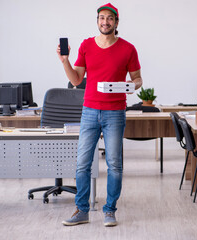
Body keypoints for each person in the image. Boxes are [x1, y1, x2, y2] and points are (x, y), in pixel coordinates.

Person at [57, 3, 142, 227]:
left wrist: (130, 87)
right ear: (97, 21)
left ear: (116, 22)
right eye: (102, 18)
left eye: (110, 19)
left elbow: (137, 79)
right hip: (89, 111)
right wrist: (65, 61)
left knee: (114, 164)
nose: (105, 22)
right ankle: (82, 211)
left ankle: (110, 210)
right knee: (82, 164)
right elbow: (76, 81)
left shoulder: (128, 49)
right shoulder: (86, 45)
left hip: (115, 112)